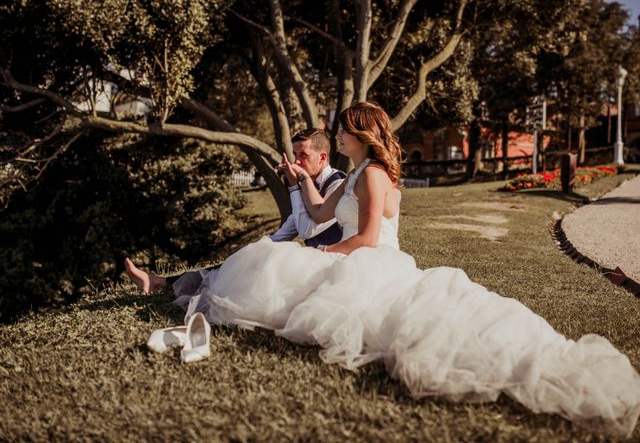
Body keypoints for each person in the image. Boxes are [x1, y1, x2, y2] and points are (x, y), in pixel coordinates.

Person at [144, 102, 640, 435]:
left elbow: (367, 239)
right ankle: (191, 288)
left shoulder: (374, 174)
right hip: (358, 256)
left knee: (299, 276)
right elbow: (318, 214)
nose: (336, 134)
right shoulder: (353, 173)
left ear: (359, 134)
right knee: (271, 257)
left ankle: (187, 288)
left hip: (373, 262)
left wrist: (317, 255)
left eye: (341, 129)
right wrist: (297, 182)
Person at [125, 128, 346, 293]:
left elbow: (307, 230)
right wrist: (248, 255)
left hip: (333, 269)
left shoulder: (337, 185)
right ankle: (161, 282)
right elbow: (283, 234)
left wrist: (293, 186)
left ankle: (164, 283)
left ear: (323, 157)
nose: (296, 162)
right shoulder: (308, 186)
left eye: (303, 156)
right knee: (250, 258)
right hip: (315, 261)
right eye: (295, 156)